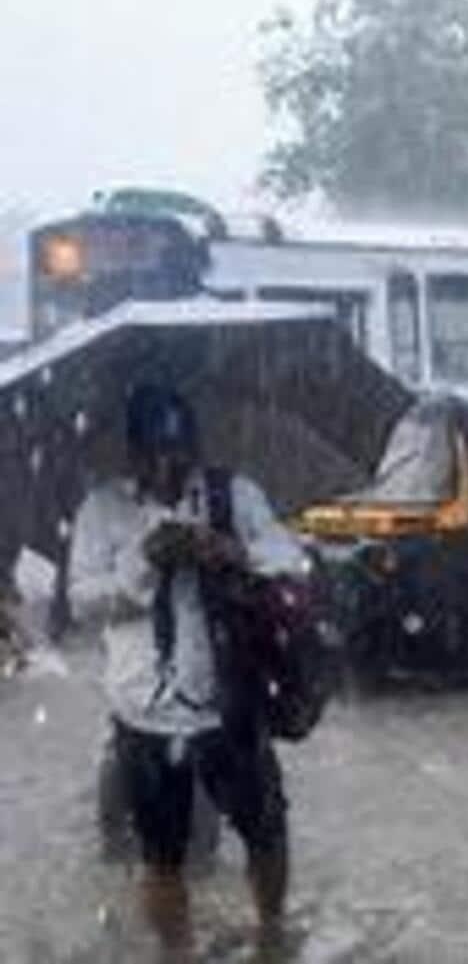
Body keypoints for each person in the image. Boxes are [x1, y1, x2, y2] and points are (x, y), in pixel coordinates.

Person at [67, 383, 305, 960]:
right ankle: (179, 955)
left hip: (232, 699)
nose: (167, 466)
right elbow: (81, 603)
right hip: (143, 710)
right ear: (133, 450)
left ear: (194, 444)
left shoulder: (234, 494)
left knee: (266, 828)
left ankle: (271, 933)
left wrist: (232, 552)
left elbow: (290, 558)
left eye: (178, 451)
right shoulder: (102, 508)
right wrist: (142, 562)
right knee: (161, 854)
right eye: (153, 452)